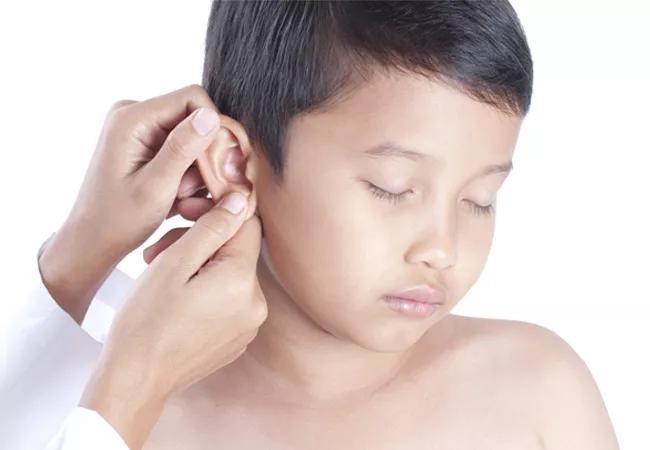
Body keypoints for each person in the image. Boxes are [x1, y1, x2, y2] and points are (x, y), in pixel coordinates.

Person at [5, 1, 621, 449]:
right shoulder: (117, 407)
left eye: (481, 198)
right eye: (392, 188)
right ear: (235, 161)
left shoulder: (537, 393)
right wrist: (77, 270)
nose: (442, 248)